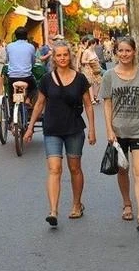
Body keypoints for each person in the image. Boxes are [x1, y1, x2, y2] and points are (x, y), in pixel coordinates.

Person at [24, 41, 95, 226]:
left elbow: (88, 104)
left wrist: (92, 129)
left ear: (69, 56)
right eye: (58, 55)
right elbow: (39, 104)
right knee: (54, 169)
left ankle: (77, 204)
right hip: (52, 129)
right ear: (53, 58)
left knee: (74, 168)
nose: (62, 58)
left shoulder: (80, 79)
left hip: (73, 129)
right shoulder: (47, 79)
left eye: (65, 55)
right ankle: (53, 211)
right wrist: (30, 127)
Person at [101, 36, 139, 233]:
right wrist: (109, 129)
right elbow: (107, 103)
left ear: (134, 52)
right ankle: (127, 203)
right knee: (122, 170)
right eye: (121, 51)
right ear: (116, 53)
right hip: (118, 131)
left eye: (128, 50)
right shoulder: (109, 75)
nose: (125, 54)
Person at [5, 26, 38, 103]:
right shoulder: (31, 47)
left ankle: (11, 107)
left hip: (13, 77)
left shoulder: (9, 46)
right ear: (26, 36)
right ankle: (28, 99)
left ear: (15, 36)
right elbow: (33, 61)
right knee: (35, 88)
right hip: (26, 77)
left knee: (10, 93)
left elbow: (7, 60)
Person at [81, 37, 102, 104]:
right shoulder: (86, 51)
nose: (95, 46)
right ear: (92, 44)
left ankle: (95, 96)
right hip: (89, 69)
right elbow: (83, 61)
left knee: (99, 82)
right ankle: (92, 99)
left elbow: (96, 59)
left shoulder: (93, 51)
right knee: (91, 83)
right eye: (95, 44)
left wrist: (97, 61)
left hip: (96, 69)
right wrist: (90, 61)